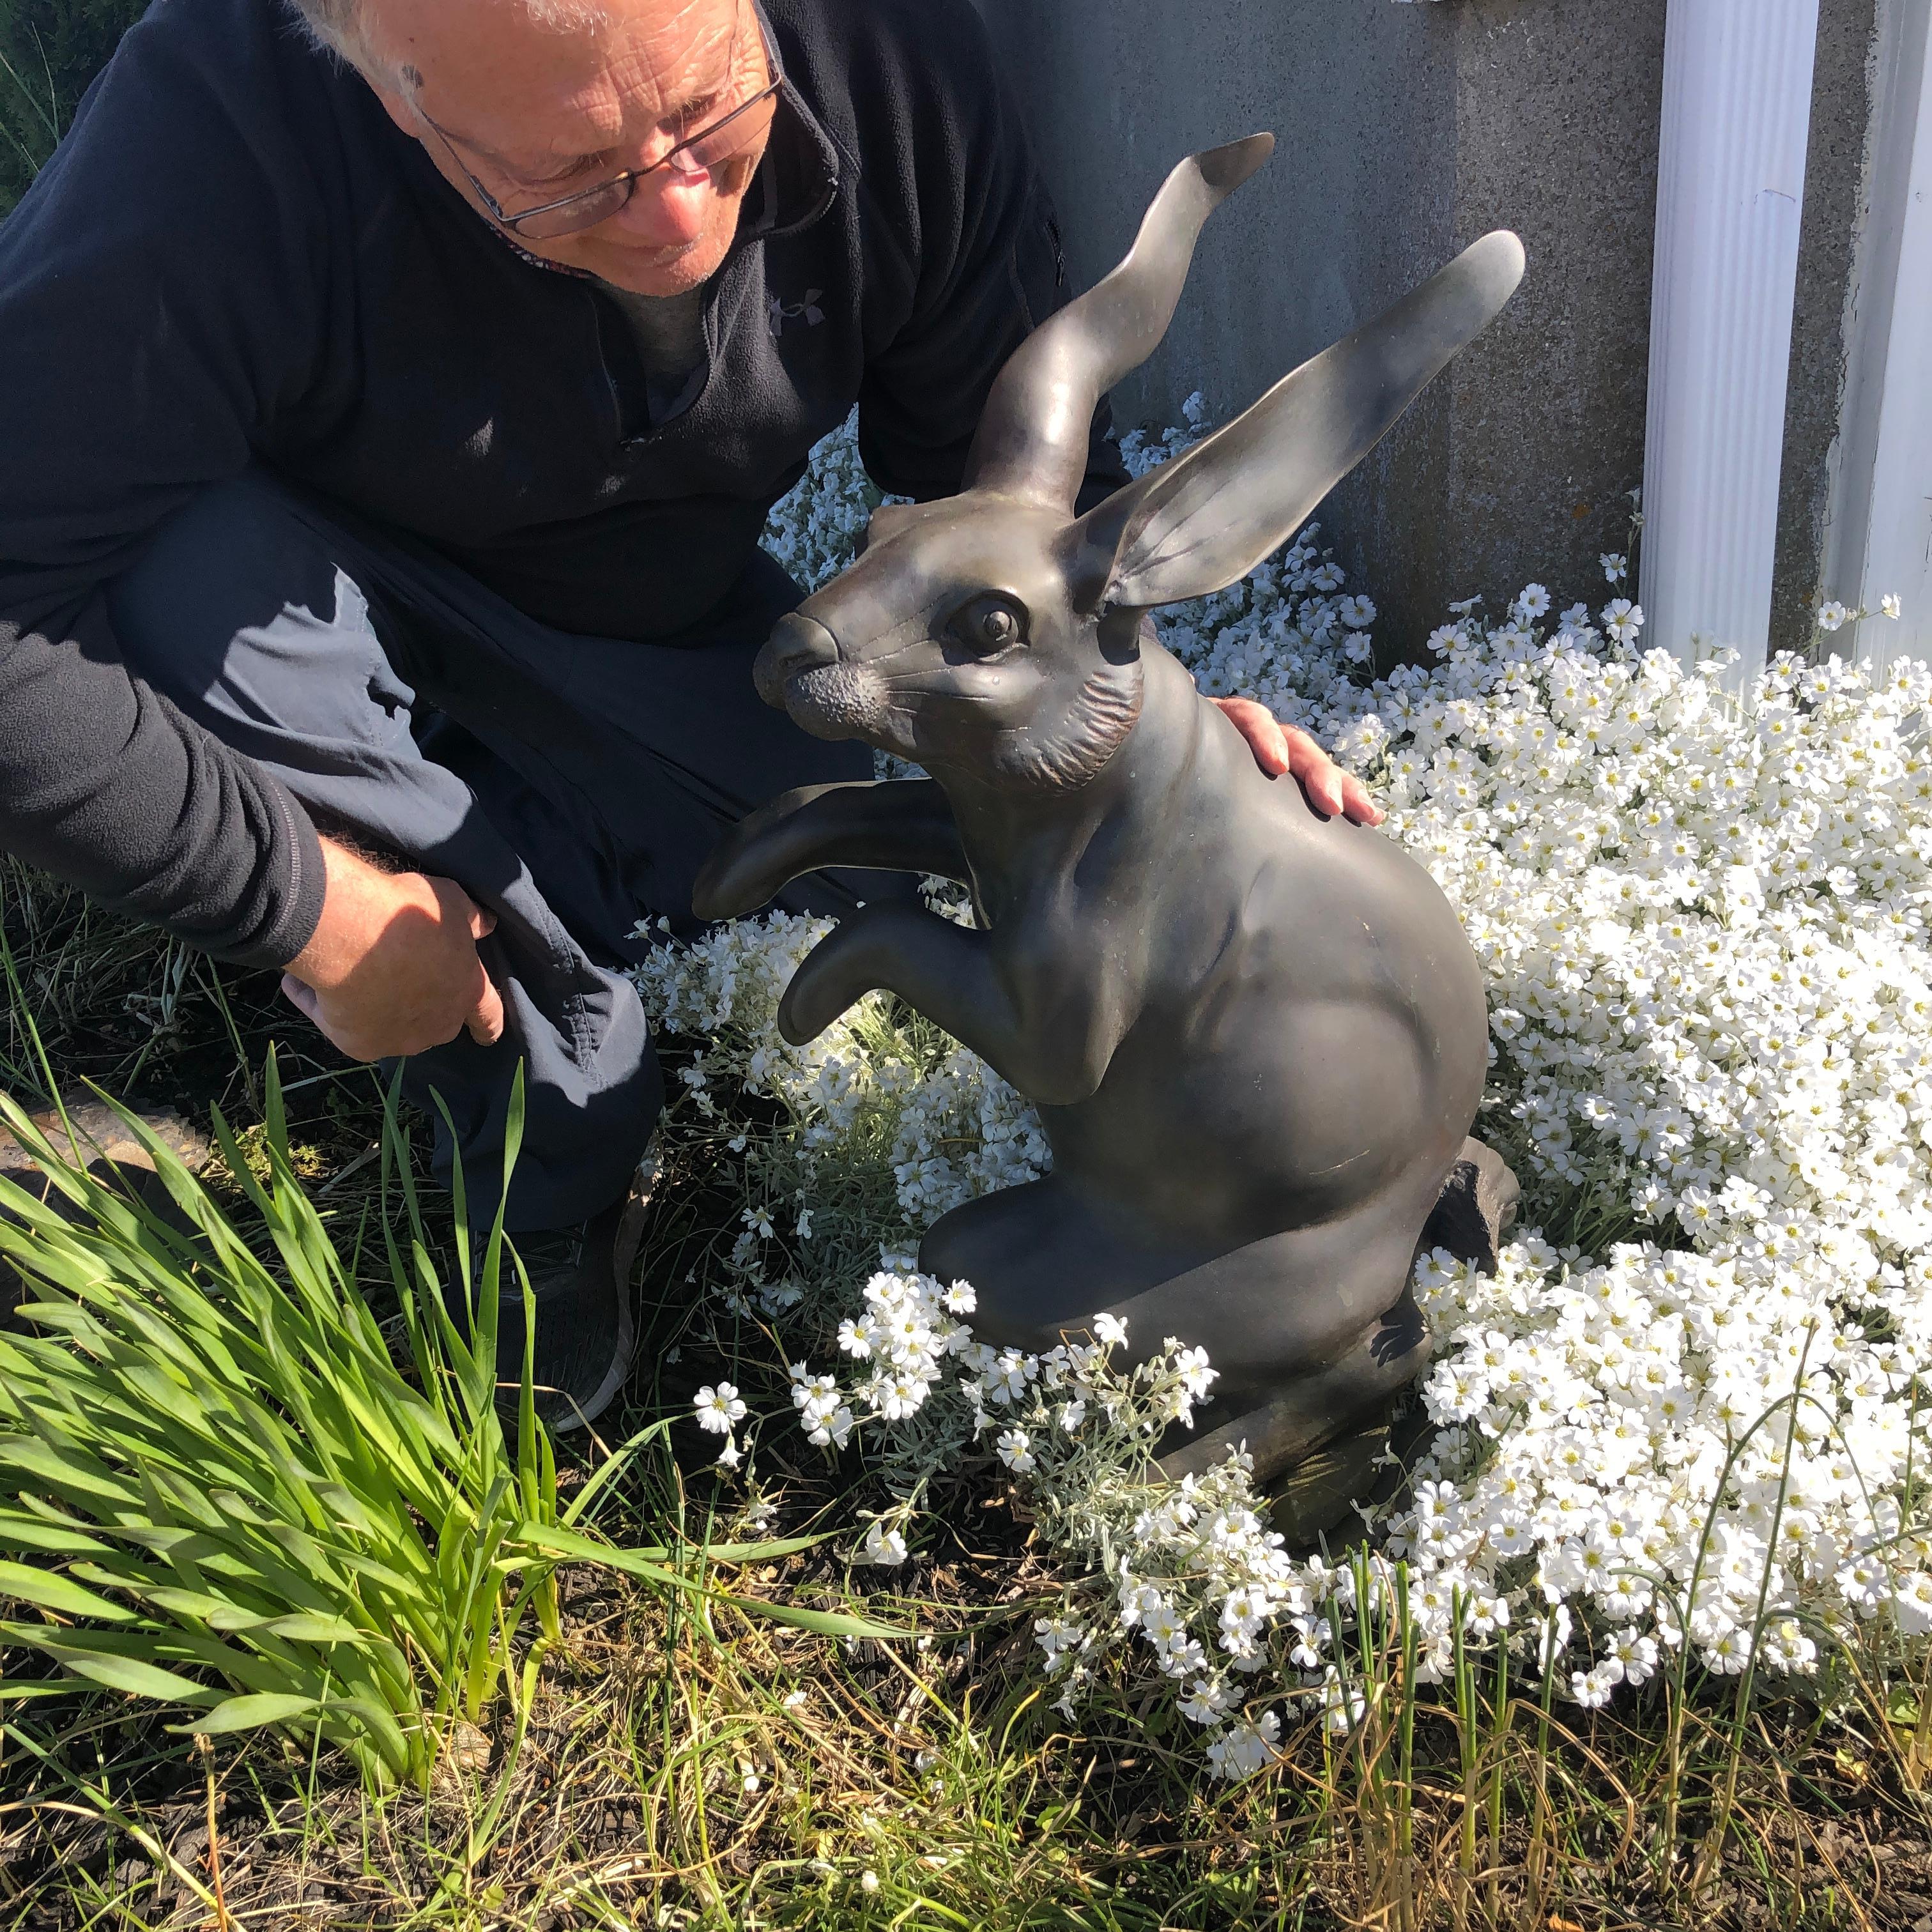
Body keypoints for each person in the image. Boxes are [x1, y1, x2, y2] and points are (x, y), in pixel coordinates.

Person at [0, 0, 1381, 1427]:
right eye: (575, 177)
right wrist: (309, 905)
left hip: (645, 629)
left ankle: (528, 865)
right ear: (400, 101)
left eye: (714, 117)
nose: (671, 214)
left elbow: (1008, 512)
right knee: (190, 578)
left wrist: (1145, 724)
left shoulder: (885, 60)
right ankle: (544, 1124)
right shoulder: (217, 136)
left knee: (863, 863)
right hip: (292, 611)